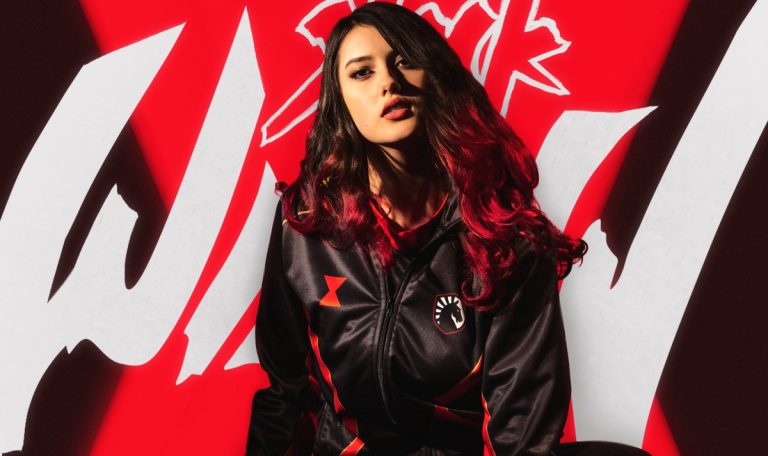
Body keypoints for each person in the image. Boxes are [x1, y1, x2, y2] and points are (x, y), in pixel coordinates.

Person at [247, 3, 644, 455]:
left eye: (404, 61)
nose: (388, 82)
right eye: (362, 72)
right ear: (340, 104)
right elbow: (285, 394)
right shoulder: (306, 223)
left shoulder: (504, 240)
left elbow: (521, 435)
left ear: (435, 78)